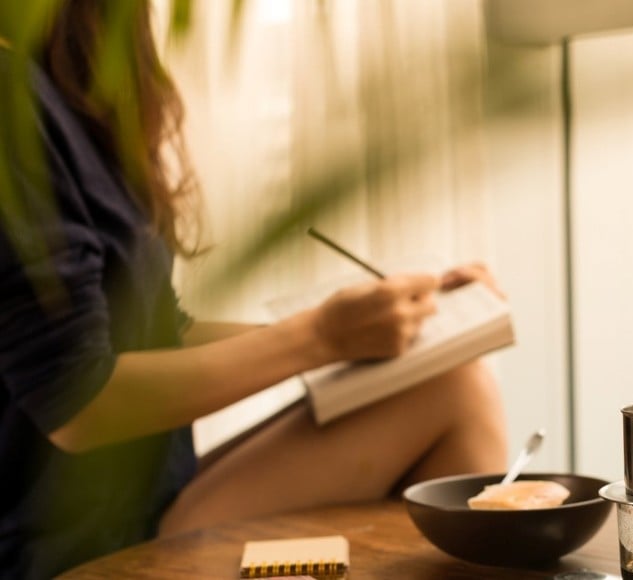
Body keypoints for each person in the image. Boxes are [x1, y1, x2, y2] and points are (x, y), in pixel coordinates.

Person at [0, 1, 508, 578]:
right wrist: (320, 337)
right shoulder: (13, 106)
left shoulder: (72, 85)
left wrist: (379, 325)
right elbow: (78, 403)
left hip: (145, 500)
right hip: (67, 544)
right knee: (455, 395)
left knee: (446, 380)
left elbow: (161, 331)